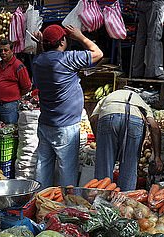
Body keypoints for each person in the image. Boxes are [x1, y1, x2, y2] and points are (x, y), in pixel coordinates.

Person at [31, 25, 103, 187]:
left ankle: (40, 198)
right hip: (66, 127)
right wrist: (80, 36)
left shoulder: (38, 62)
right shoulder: (67, 59)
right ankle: (65, 203)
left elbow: (42, 56)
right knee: (67, 169)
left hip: (46, 123)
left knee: (43, 165)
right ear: (62, 41)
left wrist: (39, 44)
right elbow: (98, 54)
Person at [89, 89, 164, 191]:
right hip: (135, 119)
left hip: (109, 115)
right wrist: (157, 157)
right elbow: (154, 127)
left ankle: (100, 201)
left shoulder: (107, 98)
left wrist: (101, 143)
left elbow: (93, 119)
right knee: (129, 167)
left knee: (104, 168)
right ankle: (124, 201)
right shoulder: (141, 103)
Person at [0, 40, 32, 124]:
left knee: (10, 131)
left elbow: (27, 86)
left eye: (6, 50)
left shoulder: (18, 65)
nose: (3, 53)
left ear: (12, 51)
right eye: (1, 50)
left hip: (10, 106)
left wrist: (15, 95)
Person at [132, 0, 164, 80]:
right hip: (155, 3)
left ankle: (137, 71)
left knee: (141, 38)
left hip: (141, 4)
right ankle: (155, 71)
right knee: (154, 36)